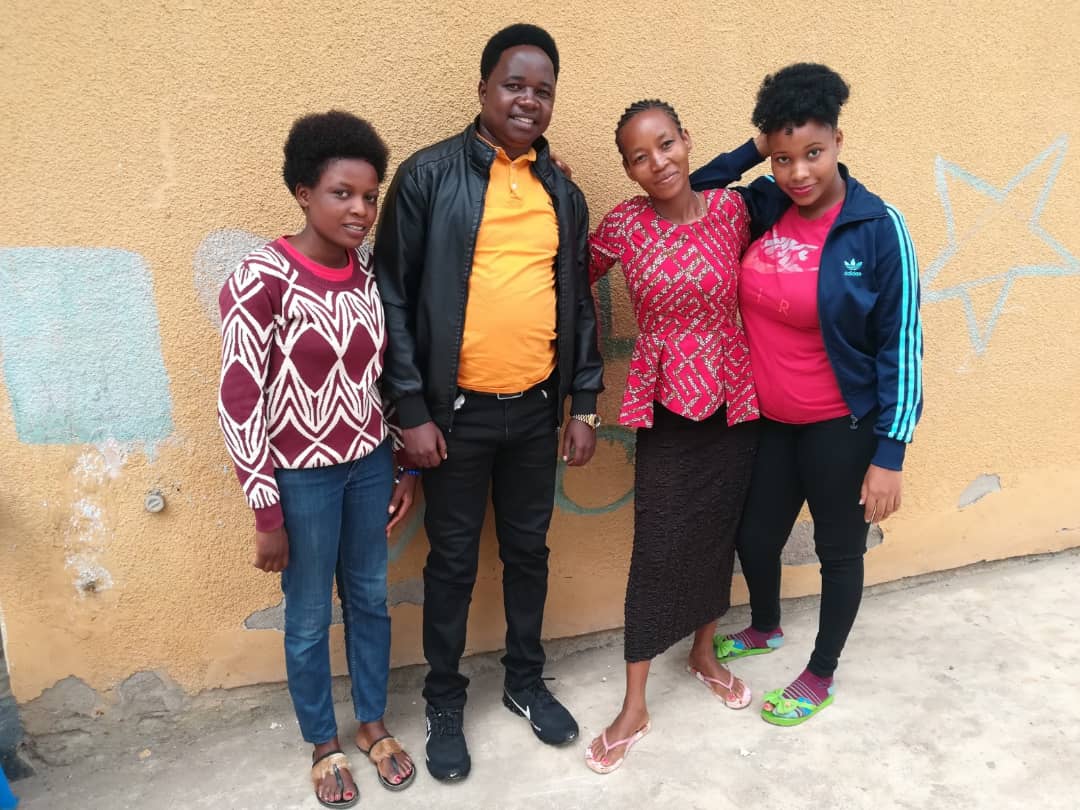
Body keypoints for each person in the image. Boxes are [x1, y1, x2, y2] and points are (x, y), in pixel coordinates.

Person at [374, 24, 604, 782]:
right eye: (514, 85)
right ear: (482, 90)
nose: (527, 100)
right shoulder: (427, 176)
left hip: (535, 412)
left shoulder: (561, 191)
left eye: (543, 90)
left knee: (529, 553)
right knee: (451, 563)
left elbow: (580, 304)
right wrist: (411, 410)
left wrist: (584, 403)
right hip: (454, 419)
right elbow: (391, 297)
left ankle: (524, 682)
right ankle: (444, 701)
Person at [690, 63, 924, 725]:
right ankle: (767, 626)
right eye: (784, 157)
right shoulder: (768, 204)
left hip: (841, 426)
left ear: (839, 142)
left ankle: (820, 673)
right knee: (754, 536)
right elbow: (695, 188)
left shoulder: (877, 227)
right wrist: (755, 148)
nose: (798, 173)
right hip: (771, 420)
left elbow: (902, 346)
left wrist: (890, 454)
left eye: (813, 153)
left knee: (837, 551)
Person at [218, 111, 417, 808]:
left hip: (368, 465)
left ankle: (372, 722)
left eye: (369, 196)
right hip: (299, 479)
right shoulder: (261, 277)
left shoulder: (368, 276)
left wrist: (403, 464)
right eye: (342, 193)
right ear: (304, 193)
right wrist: (265, 510)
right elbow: (239, 398)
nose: (360, 209)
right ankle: (322, 742)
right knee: (306, 615)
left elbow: (383, 379)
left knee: (369, 599)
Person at [582, 100, 759, 774]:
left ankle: (703, 654)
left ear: (687, 140)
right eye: (639, 156)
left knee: (717, 532)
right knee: (657, 547)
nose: (657, 163)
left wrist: (751, 150)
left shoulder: (732, 211)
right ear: (628, 169)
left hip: (734, 398)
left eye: (666, 145)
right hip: (665, 403)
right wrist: (554, 190)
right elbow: (568, 275)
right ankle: (635, 704)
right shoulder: (624, 225)